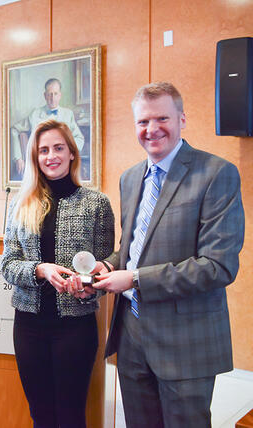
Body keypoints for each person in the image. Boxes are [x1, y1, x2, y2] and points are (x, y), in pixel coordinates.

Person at [93, 82, 245, 428]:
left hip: (186, 342)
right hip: (132, 339)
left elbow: (217, 266)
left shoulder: (216, 174)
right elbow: (133, 250)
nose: (152, 129)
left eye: (162, 118)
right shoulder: (131, 178)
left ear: (182, 119)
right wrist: (108, 266)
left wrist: (132, 279)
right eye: (142, 122)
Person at [1, 119, 114, 427]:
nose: (51, 156)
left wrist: (91, 285)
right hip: (29, 326)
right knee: (40, 414)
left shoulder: (97, 204)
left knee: (71, 415)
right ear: (36, 158)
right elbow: (8, 264)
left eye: (58, 148)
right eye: (43, 150)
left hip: (75, 327)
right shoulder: (20, 203)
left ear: (72, 153)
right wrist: (40, 270)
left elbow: (106, 266)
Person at [10, 78, 85, 179]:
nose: (52, 98)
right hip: (40, 164)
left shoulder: (68, 114)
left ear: (60, 95)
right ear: (45, 95)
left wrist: (69, 153)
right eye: (49, 94)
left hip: (62, 164)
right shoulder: (35, 114)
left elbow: (79, 138)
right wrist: (18, 158)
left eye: (55, 94)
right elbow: (14, 129)